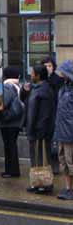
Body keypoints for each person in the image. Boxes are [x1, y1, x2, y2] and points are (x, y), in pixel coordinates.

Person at [25, 64, 56, 193]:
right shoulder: (36, 88)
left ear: (38, 75)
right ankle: (37, 182)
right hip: (34, 130)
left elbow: (45, 114)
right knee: (35, 158)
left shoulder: (44, 90)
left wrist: (40, 131)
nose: (31, 75)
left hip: (40, 131)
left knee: (42, 158)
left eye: (32, 73)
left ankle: (45, 183)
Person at [0, 65, 24, 178]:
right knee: (11, 145)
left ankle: (11, 171)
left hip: (8, 121)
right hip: (16, 120)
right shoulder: (17, 86)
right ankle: (11, 170)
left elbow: (3, 103)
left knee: (9, 146)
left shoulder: (7, 86)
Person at [54, 60, 73, 200]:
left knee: (70, 161)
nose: (61, 75)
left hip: (70, 133)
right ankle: (68, 188)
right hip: (61, 131)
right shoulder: (63, 88)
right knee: (63, 162)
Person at [43, 56, 62, 174]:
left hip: (55, 114)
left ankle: (55, 167)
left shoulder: (57, 80)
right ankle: (48, 165)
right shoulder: (41, 80)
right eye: (45, 66)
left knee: (54, 143)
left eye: (49, 66)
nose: (47, 68)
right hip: (45, 115)